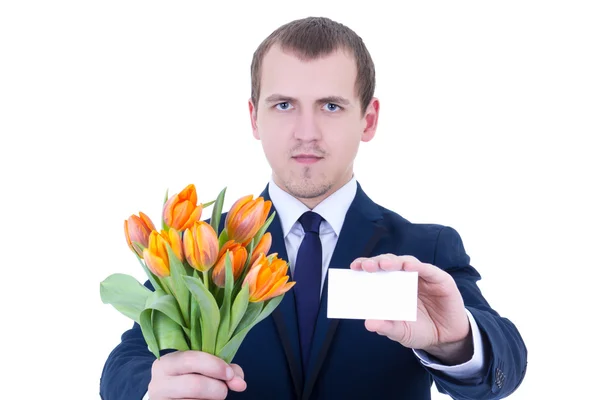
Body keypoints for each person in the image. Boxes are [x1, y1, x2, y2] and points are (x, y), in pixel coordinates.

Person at [100, 16, 528, 400]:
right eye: (284, 105)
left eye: (331, 106)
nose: (307, 133)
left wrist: (456, 342)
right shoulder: (201, 244)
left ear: (368, 119)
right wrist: (151, 388)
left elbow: (507, 361)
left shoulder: (424, 250)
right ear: (254, 118)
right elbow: (125, 365)